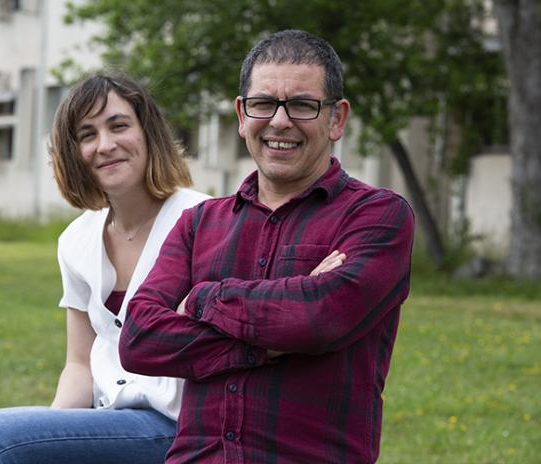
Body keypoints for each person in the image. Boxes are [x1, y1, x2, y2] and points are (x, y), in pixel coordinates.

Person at [119, 29, 415, 463]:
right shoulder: (199, 223)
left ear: (336, 119)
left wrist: (203, 297)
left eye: (301, 105)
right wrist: (267, 338)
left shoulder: (377, 216)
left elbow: (319, 317)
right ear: (242, 115)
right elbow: (140, 339)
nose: (279, 121)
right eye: (263, 104)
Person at [0, 73, 210, 463]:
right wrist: (46, 435)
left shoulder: (202, 220)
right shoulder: (77, 240)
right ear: (75, 152)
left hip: (176, 428)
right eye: (87, 135)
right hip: (109, 419)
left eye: (118, 126)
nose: (105, 145)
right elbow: (79, 363)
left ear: (147, 133)